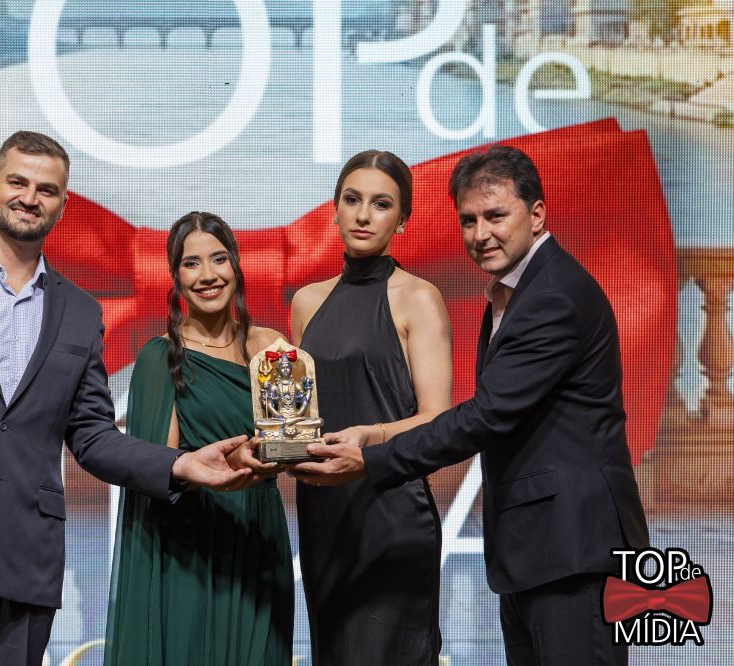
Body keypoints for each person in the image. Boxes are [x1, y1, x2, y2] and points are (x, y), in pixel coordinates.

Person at [0, 132, 250, 665]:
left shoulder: (80, 311)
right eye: (18, 182)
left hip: (26, 557)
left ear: (62, 203)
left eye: (46, 189)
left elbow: (93, 437)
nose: (30, 198)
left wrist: (181, 464)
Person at [292, 146, 649, 666]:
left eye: (496, 216)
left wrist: (370, 456)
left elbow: (484, 416)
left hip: (574, 548)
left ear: (537, 214)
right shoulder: (516, 291)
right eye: (469, 220)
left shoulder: (552, 295)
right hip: (537, 550)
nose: (481, 233)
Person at [104, 212, 293, 666]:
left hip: (259, 535)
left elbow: (290, 444)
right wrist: (225, 464)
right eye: (192, 263)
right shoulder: (160, 357)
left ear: (236, 266)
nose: (208, 275)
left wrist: (286, 450)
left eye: (219, 259)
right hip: (191, 546)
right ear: (176, 277)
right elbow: (159, 470)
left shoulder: (272, 349)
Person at [289, 150, 452, 664]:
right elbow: (300, 417)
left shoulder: (418, 298)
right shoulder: (306, 302)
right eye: (352, 200)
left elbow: (438, 420)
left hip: (391, 513)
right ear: (334, 209)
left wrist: (370, 436)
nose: (363, 215)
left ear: (402, 220)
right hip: (323, 516)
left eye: (381, 204)